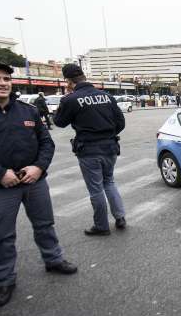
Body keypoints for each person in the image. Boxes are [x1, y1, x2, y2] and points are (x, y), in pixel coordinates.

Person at [0, 60, 77, 308]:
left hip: (34, 182)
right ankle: (4, 280)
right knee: (2, 236)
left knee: (45, 225)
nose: (2, 83)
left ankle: (53, 260)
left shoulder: (27, 111)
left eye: (6, 79)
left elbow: (46, 143)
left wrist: (38, 167)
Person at [53, 64, 127, 235]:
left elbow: (59, 122)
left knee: (96, 189)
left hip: (89, 150)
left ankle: (101, 226)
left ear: (68, 81)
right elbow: (120, 122)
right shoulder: (106, 96)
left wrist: (64, 100)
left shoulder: (71, 99)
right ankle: (120, 217)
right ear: (84, 77)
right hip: (110, 147)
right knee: (109, 182)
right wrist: (107, 135)